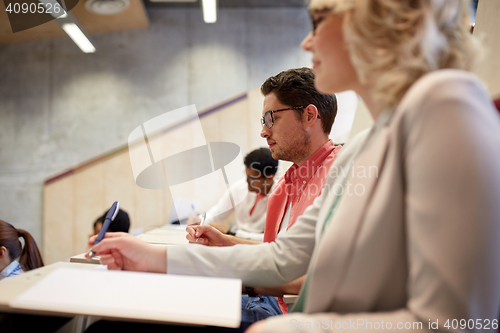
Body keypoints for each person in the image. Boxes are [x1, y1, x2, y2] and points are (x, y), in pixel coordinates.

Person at [88, 1, 500, 332]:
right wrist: (152, 258)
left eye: (319, 19)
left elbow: (463, 322)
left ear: (381, 16)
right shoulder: (363, 148)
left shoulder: (447, 104)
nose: (307, 41)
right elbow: (283, 258)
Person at [186, 67, 341, 323]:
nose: (264, 131)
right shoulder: (286, 185)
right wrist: (224, 242)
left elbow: (320, 278)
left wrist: (243, 280)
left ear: (309, 115)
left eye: (271, 118)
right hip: (273, 302)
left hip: (290, 316)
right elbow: (281, 256)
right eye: (263, 121)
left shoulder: (340, 178)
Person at [187, 148, 278, 241]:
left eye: (252, 178)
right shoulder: (239, 188)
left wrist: (232, 233)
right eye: (246, 175)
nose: (247, 181)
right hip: (234, 243)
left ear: (269, 178)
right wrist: (199, 221)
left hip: (260, 248)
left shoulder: (281, 198)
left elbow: (274, 239)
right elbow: (218, 213)